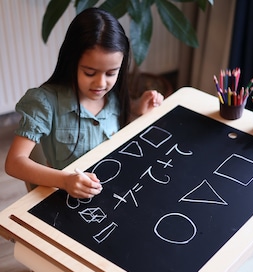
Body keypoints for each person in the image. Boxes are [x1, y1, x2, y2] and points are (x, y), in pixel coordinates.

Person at [5, 8, 164, 200]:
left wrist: (138, 108)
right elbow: (14, 162)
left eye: (111, 73)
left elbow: (119, 123)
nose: (101, 83)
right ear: (72, 61)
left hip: (112, 190)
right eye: (90, 73)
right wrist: (65, 181)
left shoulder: (114, 95)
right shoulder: (45, 102)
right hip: (68, 197)